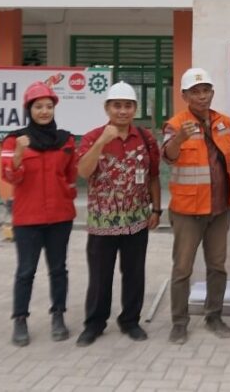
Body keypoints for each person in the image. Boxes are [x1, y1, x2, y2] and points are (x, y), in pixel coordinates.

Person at [75, 81, 161, 346]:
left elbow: (153, 177)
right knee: (100, 276)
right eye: (117, 106)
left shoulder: (145, 138)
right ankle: (94, 324)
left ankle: (130, 321)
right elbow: (83, 172)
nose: (122, 111)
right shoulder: (92, 137)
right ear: (107, 108)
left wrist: (156, 209)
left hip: (136, 220)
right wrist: (102, 141)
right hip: (102, 223)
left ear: (135, 109)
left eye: (127, 106)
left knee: (134, 273)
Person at [162, 67, 230, 344]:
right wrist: (180, 138)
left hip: (219, 209)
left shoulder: (224, 122)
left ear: (212, 93)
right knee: (182, 268)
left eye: (205, 90)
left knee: (217, 266)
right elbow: (168, 157)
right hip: (187, 212)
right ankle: (179, 322)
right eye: (195, 92)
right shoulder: (175, 124)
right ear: (185, 95)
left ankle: (214, 315)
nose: (202, 96)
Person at [1, 81, 77, 347]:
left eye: (48, 106)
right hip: (27, 219)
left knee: (58, 270)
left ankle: (58, 316)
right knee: (26, 271)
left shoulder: (65, 138)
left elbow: (70, 175)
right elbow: (10, 176)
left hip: (60, 217)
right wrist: (20, 152)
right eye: (38, 106)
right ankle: (20, 319)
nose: (44, 111)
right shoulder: (14, 139)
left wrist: (67, 197)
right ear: (28, 109)